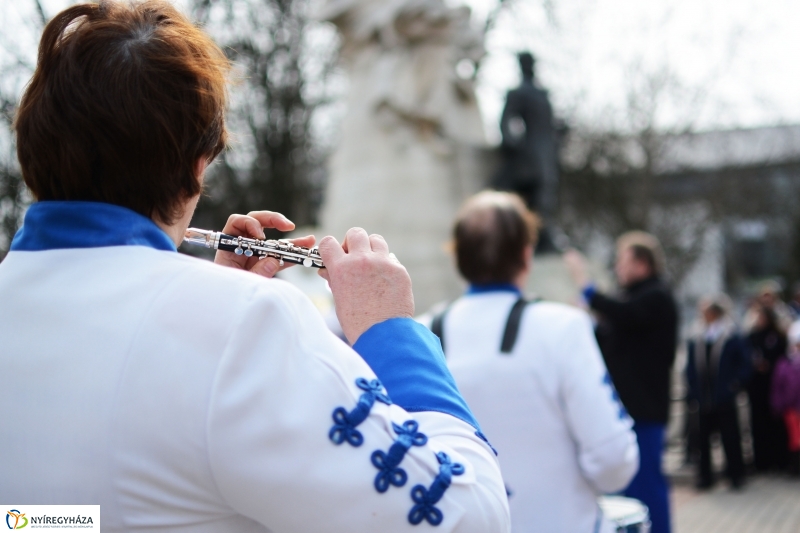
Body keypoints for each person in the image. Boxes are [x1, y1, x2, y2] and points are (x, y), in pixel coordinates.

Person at [0, 2, 510, 532]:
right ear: (197, 165)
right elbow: (468, 515)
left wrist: (210, 305)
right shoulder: (245, 323)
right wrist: (391, 332)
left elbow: (32, 519)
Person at [421, 191, 639, 533]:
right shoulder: (563, 327)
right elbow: (613, 460)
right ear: (526, 254)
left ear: (457, 257)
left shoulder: (420, 334)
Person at [565, 232, 678, 533]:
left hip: (645, 410)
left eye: (621, 261)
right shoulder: (634, 299)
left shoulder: (656, 297)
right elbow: (610, 340)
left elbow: (625, 315)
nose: (617, 268)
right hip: (626, 410)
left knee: (648, 488)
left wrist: (586, 286)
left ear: (642, 264)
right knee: (627, 492)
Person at [686, 295, 751, 489]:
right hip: (703, 396)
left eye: (707, 311)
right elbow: (690, 367)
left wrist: (734, 384)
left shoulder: (731, 335)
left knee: (730, 437)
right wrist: (692, 389)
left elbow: (744, 363)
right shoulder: (697, 336)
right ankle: (705, 477)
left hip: (723, 395)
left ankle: (735, 476)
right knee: (703, 440)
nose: (703, 315)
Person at [747, 304, 789, 471]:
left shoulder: (777, 336)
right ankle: (761, 462)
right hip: (757, 387)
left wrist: (769, 365)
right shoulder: (752, 336)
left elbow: (782, 358)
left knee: (775, 423)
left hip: (774, 386)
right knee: (758, 424)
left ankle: (779, 460)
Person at [771, 321, 800, 477]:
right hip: (790, 408)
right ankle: (794, 467)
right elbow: (778, 385)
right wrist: (778, 404)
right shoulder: (785, 362)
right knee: (794, 439)